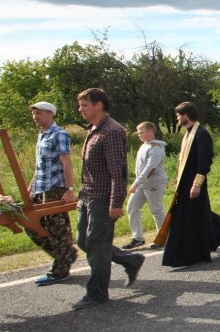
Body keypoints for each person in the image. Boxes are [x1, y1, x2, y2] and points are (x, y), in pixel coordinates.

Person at [72, 88, 144, 311]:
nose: (80, 109)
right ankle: (131, 261)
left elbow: (117, 171)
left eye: (85, 105)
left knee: (97, 244)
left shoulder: (112, 131)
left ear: (99, 105)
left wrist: (115, 202)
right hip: (88, 195)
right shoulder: (93, 129)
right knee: (84, 241)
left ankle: (97, 293)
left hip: (103, 198)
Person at [162, 102, 220, 268]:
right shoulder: (188, 133)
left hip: (194, 185)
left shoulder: (201, 133)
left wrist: (196, 185)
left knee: (193, 216)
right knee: (196, 216)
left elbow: (204, 162)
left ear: (187, 115)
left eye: (179, 115)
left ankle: (194, 252)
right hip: (184, 183)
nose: (177, 118)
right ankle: (217, 234)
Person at [26, 101, 79, 287]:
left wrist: (69, 190)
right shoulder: (41, 135)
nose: (35, 117)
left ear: (50, 114)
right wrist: (30, 188)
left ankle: (60, 270)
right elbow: (39, 166)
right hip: (40, 188)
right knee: (30, 224)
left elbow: (66, 163)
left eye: (39, 113)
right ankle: (66, 255)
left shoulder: (59, 135)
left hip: (55, 189)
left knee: (57, 229)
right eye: (34, 114)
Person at [122, 122, 167, 250]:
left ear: (150, 132)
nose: (139, 135)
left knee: (156, 209)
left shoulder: (156, 147)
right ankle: (138, 238)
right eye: (138, 132)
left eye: (141, 132)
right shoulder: (144, 146)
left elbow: (149, 169)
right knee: (132, 207)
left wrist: (135, 184)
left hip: (154, 183)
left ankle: (163, 238)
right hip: (142, 184)